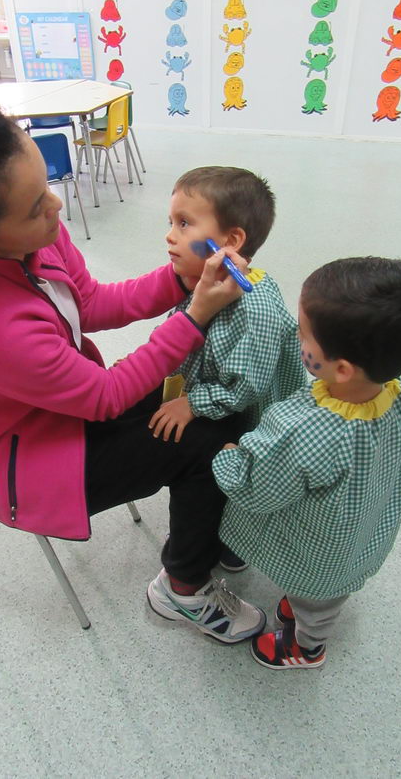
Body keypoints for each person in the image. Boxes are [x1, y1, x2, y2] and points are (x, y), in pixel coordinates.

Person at [0, 94, 265, 644]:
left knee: (211, 406)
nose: (56, 208)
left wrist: (183, 281)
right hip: (28, 462)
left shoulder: (30, 242)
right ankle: (182, 588)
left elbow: (93, 302)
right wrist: (195, 314)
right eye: (34, 207)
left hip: (63, 408)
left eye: (45, 185)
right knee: (205, 448)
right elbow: (105, 397)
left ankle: (205, 529)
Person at [212, 257, 401, 668]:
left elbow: (257, 490)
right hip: (361, 532)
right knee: (322, 588)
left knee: (318, 598)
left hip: (319, 551)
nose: (296, 337)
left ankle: (308, 646)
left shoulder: (303, 427)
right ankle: (305, 611)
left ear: (342, 368)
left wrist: (229, 459)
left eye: (303, 333)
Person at [147, 166, 307, 572]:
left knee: (240, 470)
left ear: (233, 240)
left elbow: (245, 388)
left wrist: (193, 404)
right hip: (220, 394)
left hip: (251, 414)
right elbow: (186, 331)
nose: (170, 235)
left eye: (184, 224)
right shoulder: (205, 279)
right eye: (171, 222)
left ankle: (234, 542)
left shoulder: (252, 308)